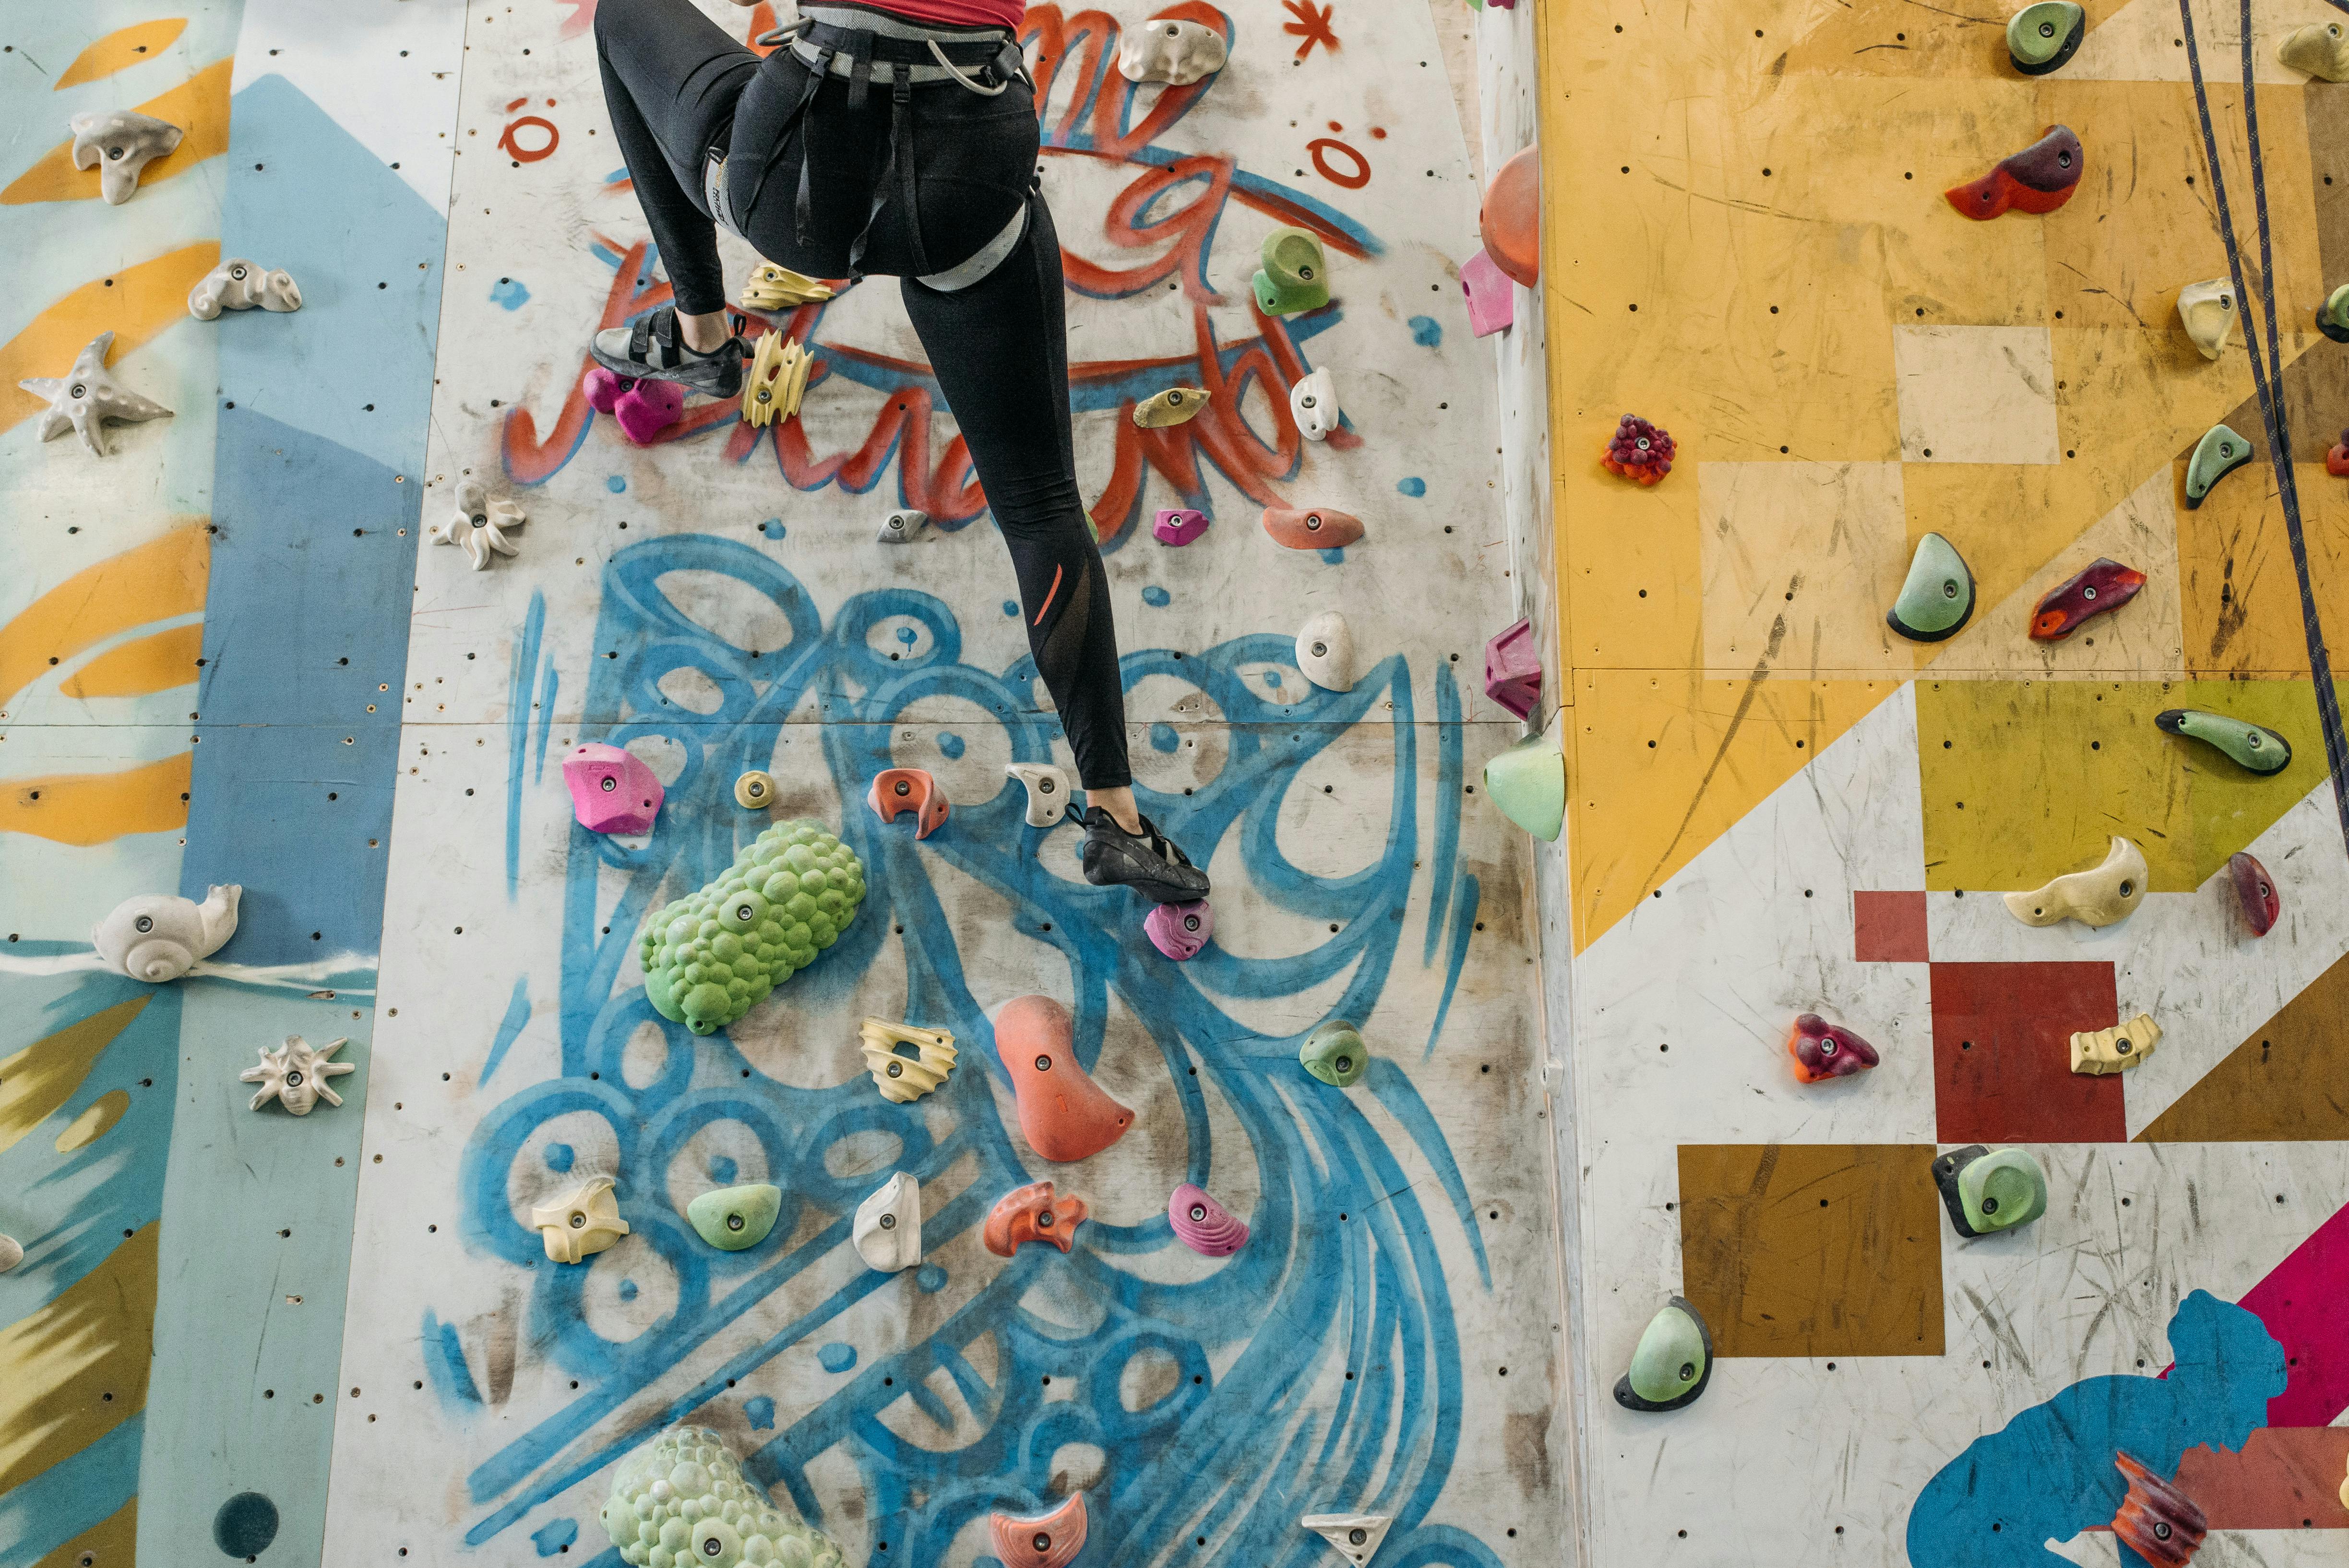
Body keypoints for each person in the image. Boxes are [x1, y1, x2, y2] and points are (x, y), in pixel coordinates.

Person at [590, 0, 1209, 906]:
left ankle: (700, 329)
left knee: (624, 14)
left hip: (797, 177)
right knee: (1039, 506)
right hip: (968, 189)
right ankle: (1115, 816)